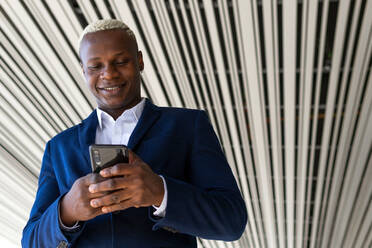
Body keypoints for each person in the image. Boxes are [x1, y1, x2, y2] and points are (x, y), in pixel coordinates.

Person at [22, 19, 247, 248]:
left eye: (120, 61)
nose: (108, 74)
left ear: (139, 61)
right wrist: (67, 210)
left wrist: (160, 192)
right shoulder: (59, 147)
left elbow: (232, 221)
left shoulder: (188, 126)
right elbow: (30, 241)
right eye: (95, 66)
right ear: (83, 70)